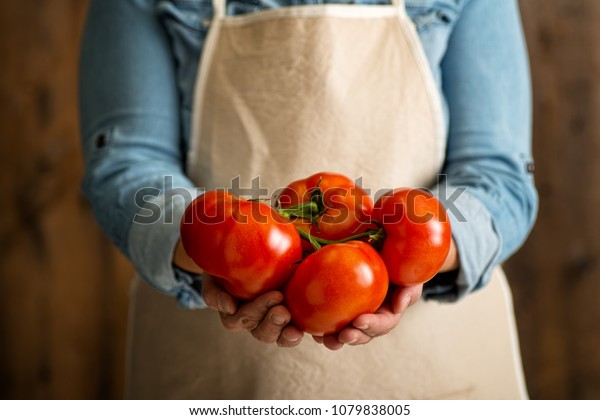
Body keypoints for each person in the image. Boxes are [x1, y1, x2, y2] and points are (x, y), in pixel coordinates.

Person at [79, 0, 538, 399]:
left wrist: (418, 255)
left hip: (439, 355)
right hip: (211, 351)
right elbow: (127, 159)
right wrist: (214, 250)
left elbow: (499, 174)